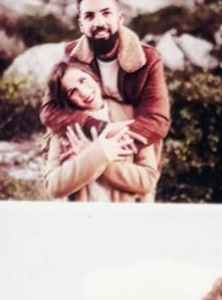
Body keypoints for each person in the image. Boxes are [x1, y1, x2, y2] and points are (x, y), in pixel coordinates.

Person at [40, 0, 171, 161]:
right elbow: (49, 111)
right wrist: (100, 129)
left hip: (131, 152)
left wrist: (105, 147)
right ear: (81, 25)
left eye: (106, 13)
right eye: (89, 16)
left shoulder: (148, 58)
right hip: (86, 144)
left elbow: (157, 120)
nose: (99, 23)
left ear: (120, 18)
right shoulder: (73, 55)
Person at [40, 58, 160, 202]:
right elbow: (53, 187)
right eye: (72, 91)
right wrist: (95, 156)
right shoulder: (63, 127)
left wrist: (98, 158)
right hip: (82, 214)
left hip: (123, 214)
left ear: (93, 76)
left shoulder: (131, 114)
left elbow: (148, 181)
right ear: (67, 99)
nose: (83, 92)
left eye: (82, 80)